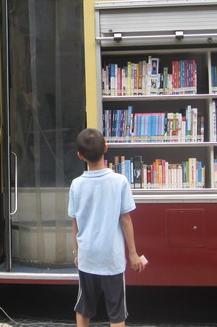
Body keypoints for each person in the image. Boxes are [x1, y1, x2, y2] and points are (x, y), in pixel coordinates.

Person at [68, 128, 145, 327]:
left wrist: (77, 253)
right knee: (117, 312)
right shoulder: (120, 182)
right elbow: (125, 219)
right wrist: (133, 254)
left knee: (84, 306)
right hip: (112, 258)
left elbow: (75, 222)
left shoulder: (76, 185)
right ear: (106, 148)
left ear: (79, 155)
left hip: (88, 257)